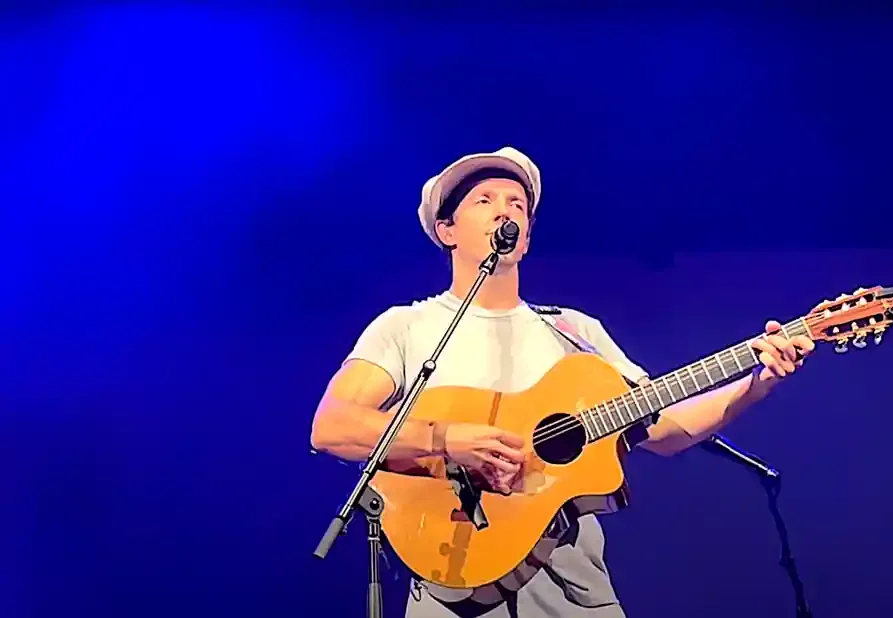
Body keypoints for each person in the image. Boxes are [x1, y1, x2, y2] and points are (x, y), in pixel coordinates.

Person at [309, 147, 816, 617]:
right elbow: (332, 427)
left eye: (517, 205)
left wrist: (756, 382)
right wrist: (449, 440)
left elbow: (661, 430)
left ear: (526, 238)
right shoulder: (406, 327)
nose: (504, 211)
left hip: (574, 596)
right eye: (484, 200)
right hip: (451, 587)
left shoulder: (576, 332)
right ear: (447, 230)